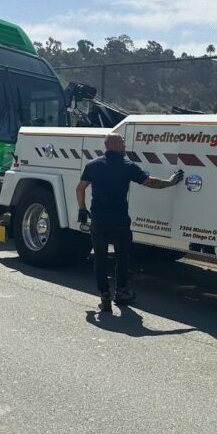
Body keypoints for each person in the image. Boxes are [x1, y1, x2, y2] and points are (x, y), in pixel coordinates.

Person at [76, 133, 183, 313]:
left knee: (100, 259)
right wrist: (171, 182)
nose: (125, 145)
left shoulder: (92, 165)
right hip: (120, 222)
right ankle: (122, 292)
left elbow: (80, 188)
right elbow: (150, 182)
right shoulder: (127, 166)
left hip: (99, 221)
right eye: (123, 143)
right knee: (122, 258)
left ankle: (105, 297)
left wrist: (82, 208)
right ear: (116, 145)